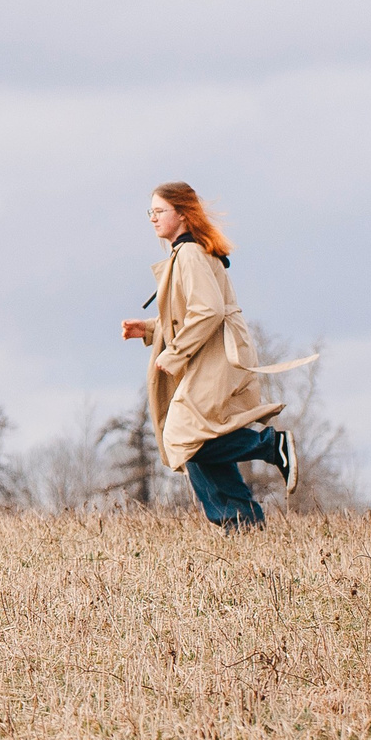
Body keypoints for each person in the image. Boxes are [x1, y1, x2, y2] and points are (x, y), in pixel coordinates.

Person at [119, 182, 311, 529]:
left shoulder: (190, 254)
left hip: (219, 355)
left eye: (159, 211)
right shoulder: (185, 252)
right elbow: (190, 313)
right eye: (151, 212)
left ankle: (270, 447)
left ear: (182, 213)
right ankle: (242, 521)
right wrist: (148, 329)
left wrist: (174, 353)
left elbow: (208, 311)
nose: (152, 218)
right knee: (199, 436)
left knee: (183, 437)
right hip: (213, 352)